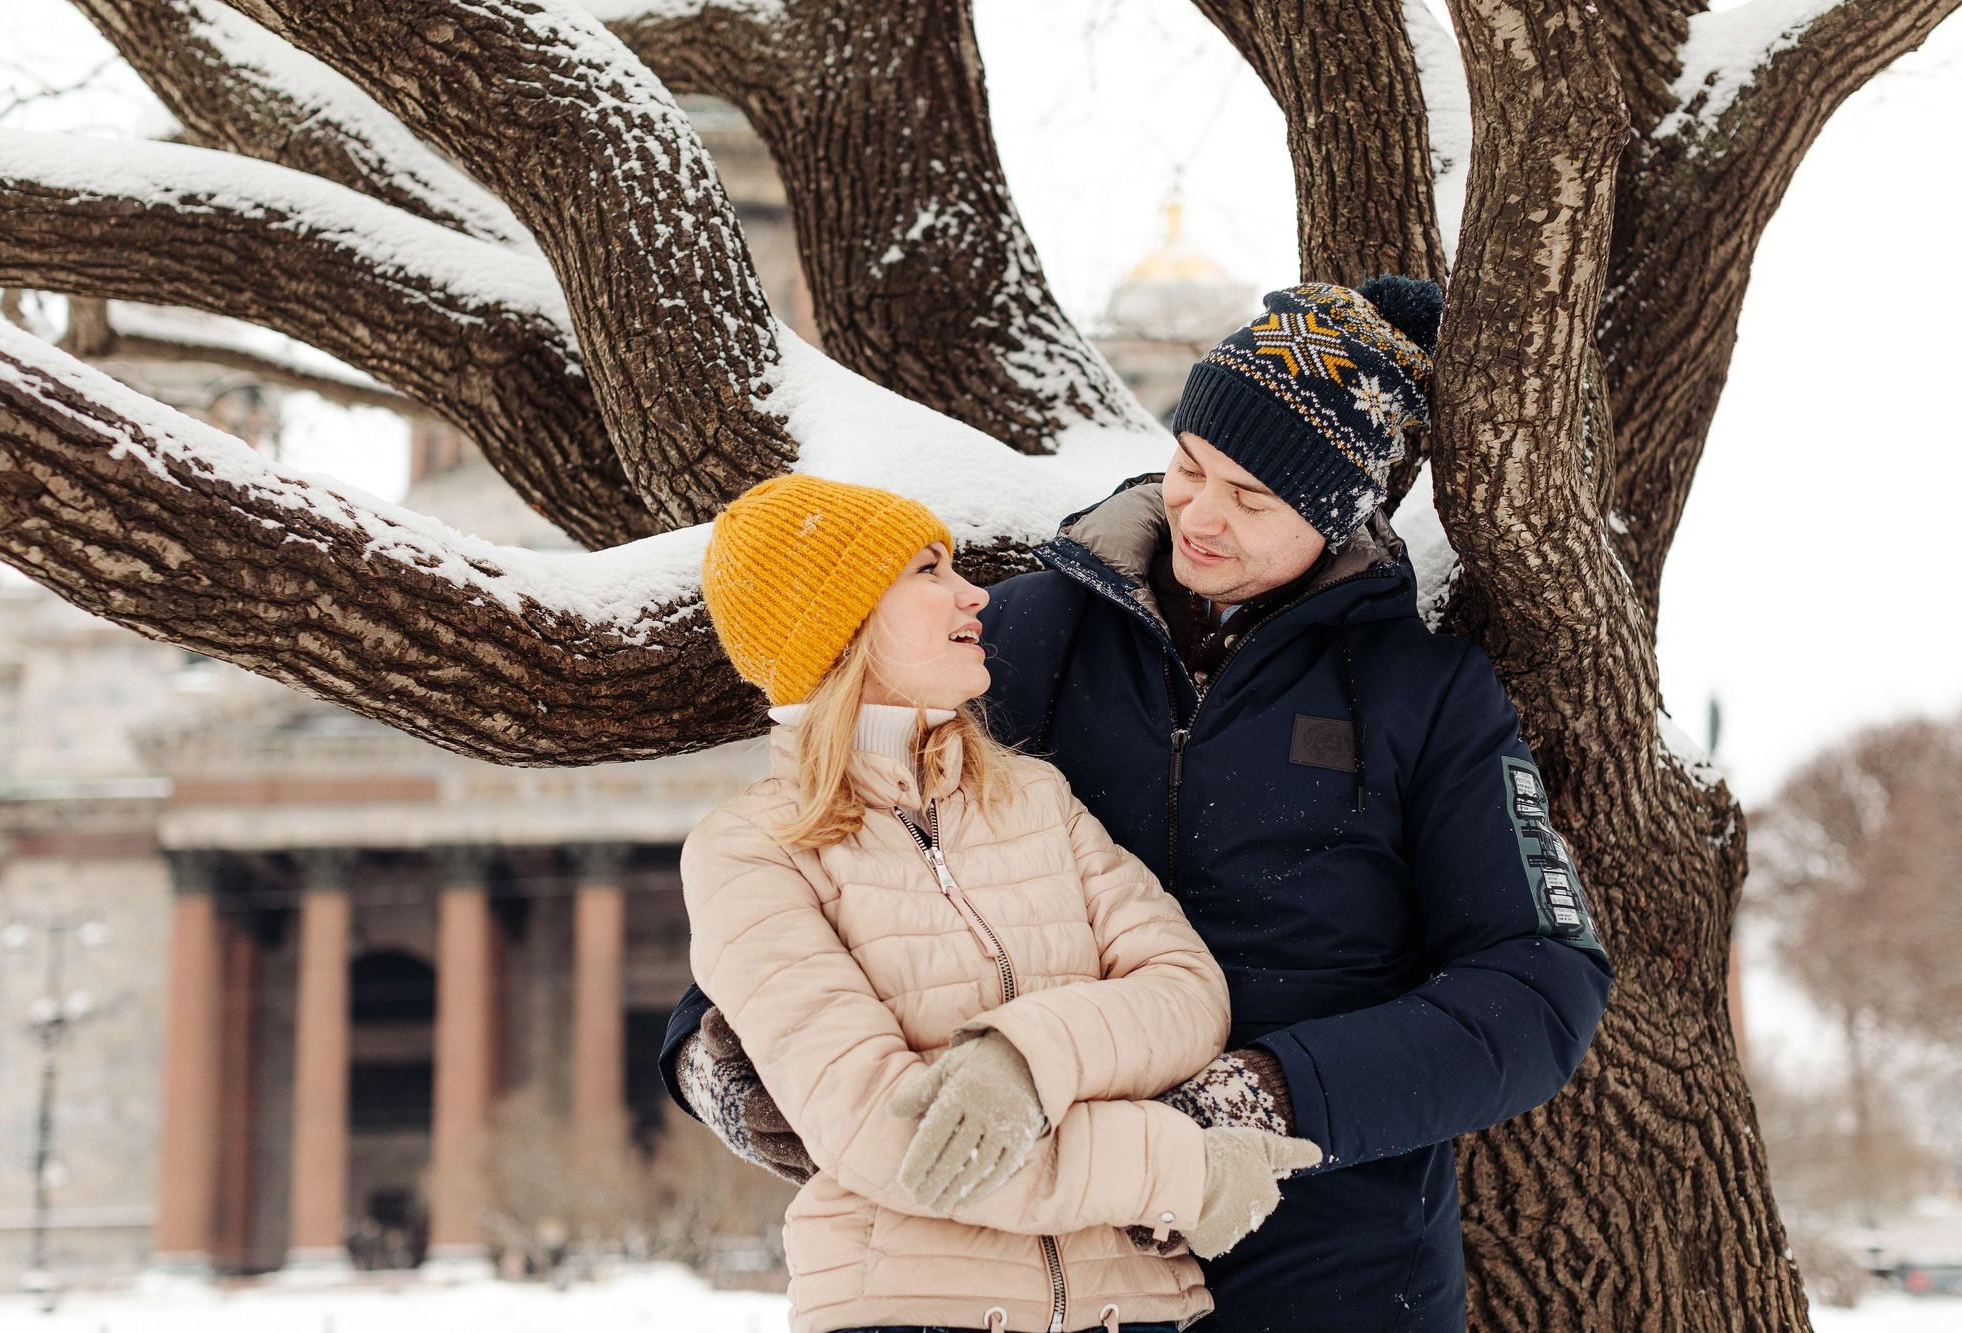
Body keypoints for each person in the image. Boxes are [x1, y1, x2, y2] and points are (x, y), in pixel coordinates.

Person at [667, 278, 1614, 1331]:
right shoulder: (1022, 639)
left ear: (1340, 512)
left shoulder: (1424, 695)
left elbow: (1536, 987)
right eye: (1189, 466)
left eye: (1254, 500)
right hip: (1057, 1255)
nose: (1200, 516)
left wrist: (1272, 1090)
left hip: (1334, 1259)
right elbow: (824, 849)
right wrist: (710, 1057)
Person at [684, 473, 1320, 1333]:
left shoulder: (1033, 797)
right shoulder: (750, 850)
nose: (972, 590)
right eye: (927, 570)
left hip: (1132, 1307)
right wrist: (1180, 1169)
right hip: (909, 1311)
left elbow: (1185, 993)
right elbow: (897, 1139)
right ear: (842, 622)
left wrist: (1025, 1060)